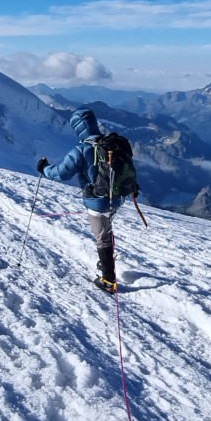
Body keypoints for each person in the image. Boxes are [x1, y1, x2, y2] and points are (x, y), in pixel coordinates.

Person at [37, 108, 136, 294]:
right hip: (117, 198)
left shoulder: (81, 150)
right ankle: (106, 261)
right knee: (106, 230)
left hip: (97, 201)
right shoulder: (111, 144)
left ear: (78, 128)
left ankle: (108, 279)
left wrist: (44, 168)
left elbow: (61, 173)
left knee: (102, 237)